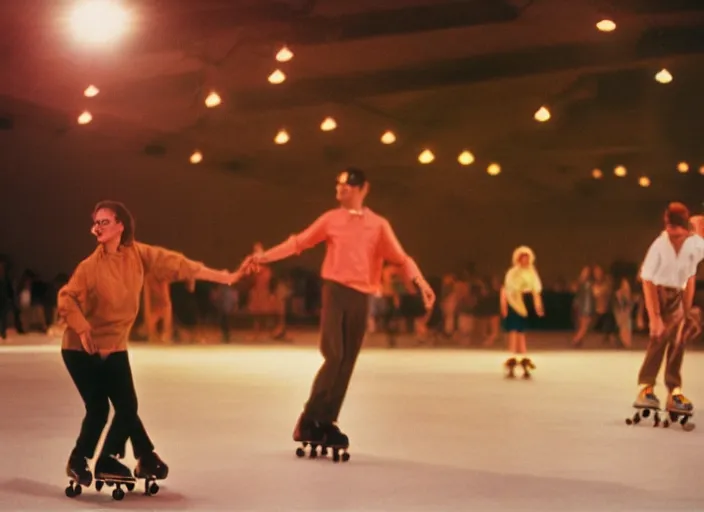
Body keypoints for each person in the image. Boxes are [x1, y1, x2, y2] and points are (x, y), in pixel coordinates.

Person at [243, 168, 435, 452]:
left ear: (363, 189)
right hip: (335, 291)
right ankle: (309, 419)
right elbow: (299, 243)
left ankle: (327, 420)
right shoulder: (330, 219)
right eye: (339, 185)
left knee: (348, 360)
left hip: (362, 296)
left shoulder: (378, 225)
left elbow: (401, 258)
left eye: (348, 185)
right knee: (334, 354)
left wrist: (420, 281)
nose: (341, 189)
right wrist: (265, 257)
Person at [58, 200, 245, 489]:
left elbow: (178, 264)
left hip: (115, 346)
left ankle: (135, 456)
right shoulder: (89, 268)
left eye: (104, 221)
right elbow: (66, 298)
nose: (98, 227)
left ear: (121, 225)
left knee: (126, 406)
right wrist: (82, 328)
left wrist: (224, 276)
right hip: (81, 349)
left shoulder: (138, 255)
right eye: (95, 223)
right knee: (99, 408)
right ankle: (80, 459)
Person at [633, 203, 704, 413]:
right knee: (659, 336)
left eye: (680, 235)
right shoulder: (659, 246)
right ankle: (646, 387)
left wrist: (687, 308)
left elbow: (690, 276)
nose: (675, 240)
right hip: (658, 293)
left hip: (679, 294)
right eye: (671, 234)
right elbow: (648, 282)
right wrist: (654, 317)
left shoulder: (694, 245)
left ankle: (674, 389)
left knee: (679, 339)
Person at [500, 246, 544, 378]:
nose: (525, 261)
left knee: (521, 332)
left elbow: (536, 291)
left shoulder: (532, 273)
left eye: (527, 258)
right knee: (514, 330)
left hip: (526, 302)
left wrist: (538, 306)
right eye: (522, 258)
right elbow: (506, 289)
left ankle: (523, 357)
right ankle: (512, 356)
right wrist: (504, 306)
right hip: (514, 302)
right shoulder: (512, 272)